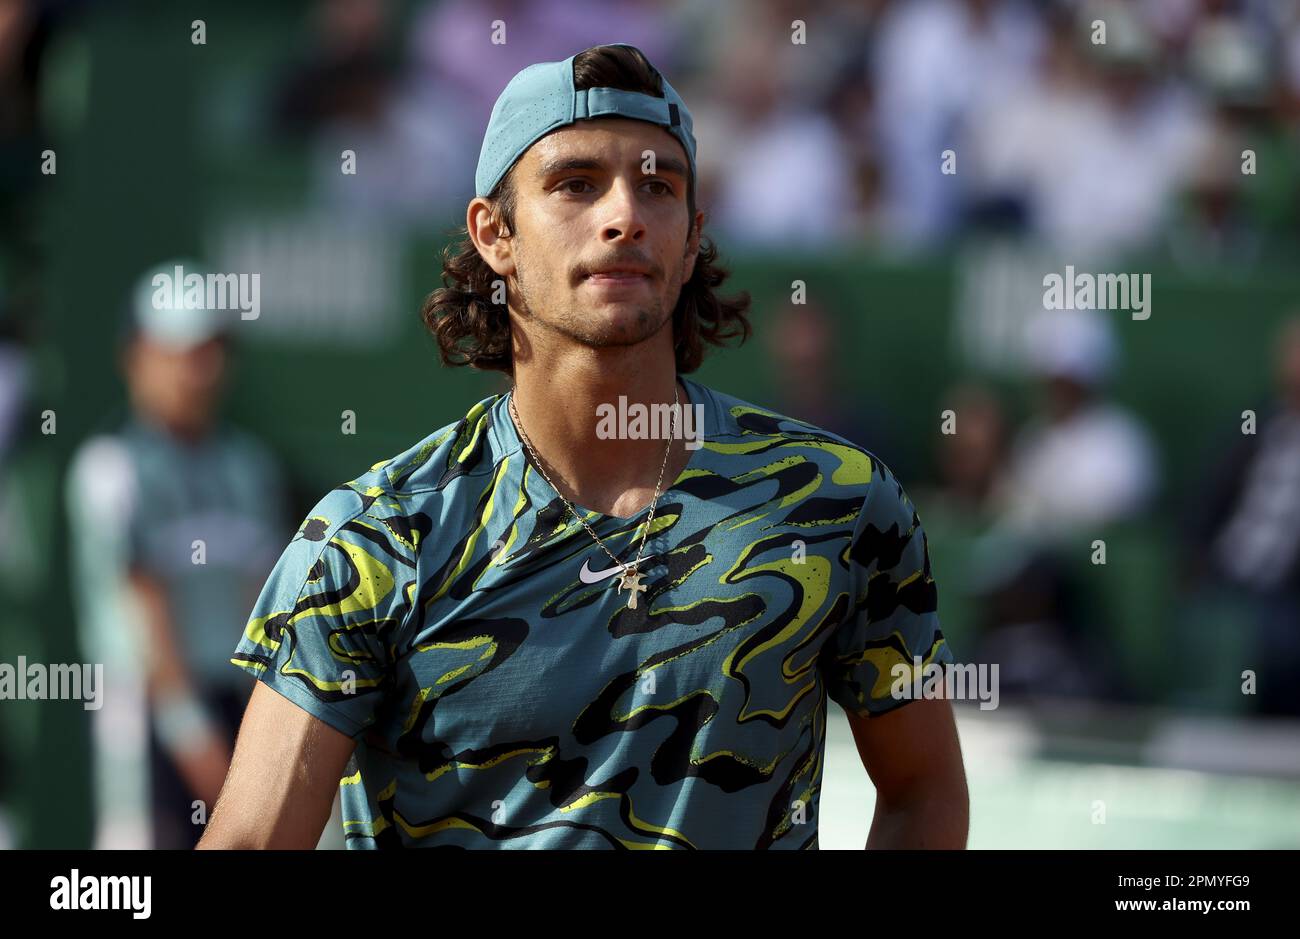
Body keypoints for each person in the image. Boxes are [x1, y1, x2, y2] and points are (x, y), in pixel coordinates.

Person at [200, 43, 967, 850]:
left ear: (693, 235)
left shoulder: (839, 502)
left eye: (659, 186)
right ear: (494, 233)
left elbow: (924, 789)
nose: (624, 214)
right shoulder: (374, 536)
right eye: (575, 184)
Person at [66, 262, 290, 848]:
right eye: (181, 352)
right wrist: (199, 746)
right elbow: (145, 621)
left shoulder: (250, 468)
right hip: (143, 716)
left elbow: (264, 611)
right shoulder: (110, 472)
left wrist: (259, 747)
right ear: (137, 356)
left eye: (212, 351)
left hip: (238, 710)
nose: (202, 370)